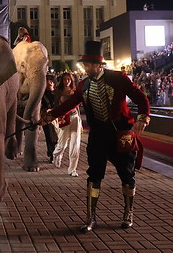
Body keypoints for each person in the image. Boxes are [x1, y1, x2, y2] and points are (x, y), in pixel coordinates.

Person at [42, 41, 150, 233]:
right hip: (99, 135)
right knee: (94, 175)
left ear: (98, 65)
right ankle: (90, 217)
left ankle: (128, 213)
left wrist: (143, 118)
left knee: (127, 174)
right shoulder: (83, 85)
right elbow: (70, 104)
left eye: (89, 64)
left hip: (121, 133)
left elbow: (140, 97)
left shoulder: (118, 78)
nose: (86, 67)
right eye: (85, 64)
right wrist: (50, 115)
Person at [52, 72, 82, 177]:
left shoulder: (75, 92)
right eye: (64, 79)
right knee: (62, 144)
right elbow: (55, 106)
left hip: (75, 118)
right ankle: (56, 155)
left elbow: (77, 107)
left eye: (68, 79)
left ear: (71, 80)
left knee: (75, 145)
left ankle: (72, 169)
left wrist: (80, 122)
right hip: (64, 119)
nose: (66, 81)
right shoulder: (58, 92)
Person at [41, 74, 57, 164]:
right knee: (49, 136)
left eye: (51, 80)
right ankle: (51, 153)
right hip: (47, 117)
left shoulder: (57, 93)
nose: (49, 82)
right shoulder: (42, 94)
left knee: (57, 136)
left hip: (57, 118)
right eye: (47, 80)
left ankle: (55, 152)